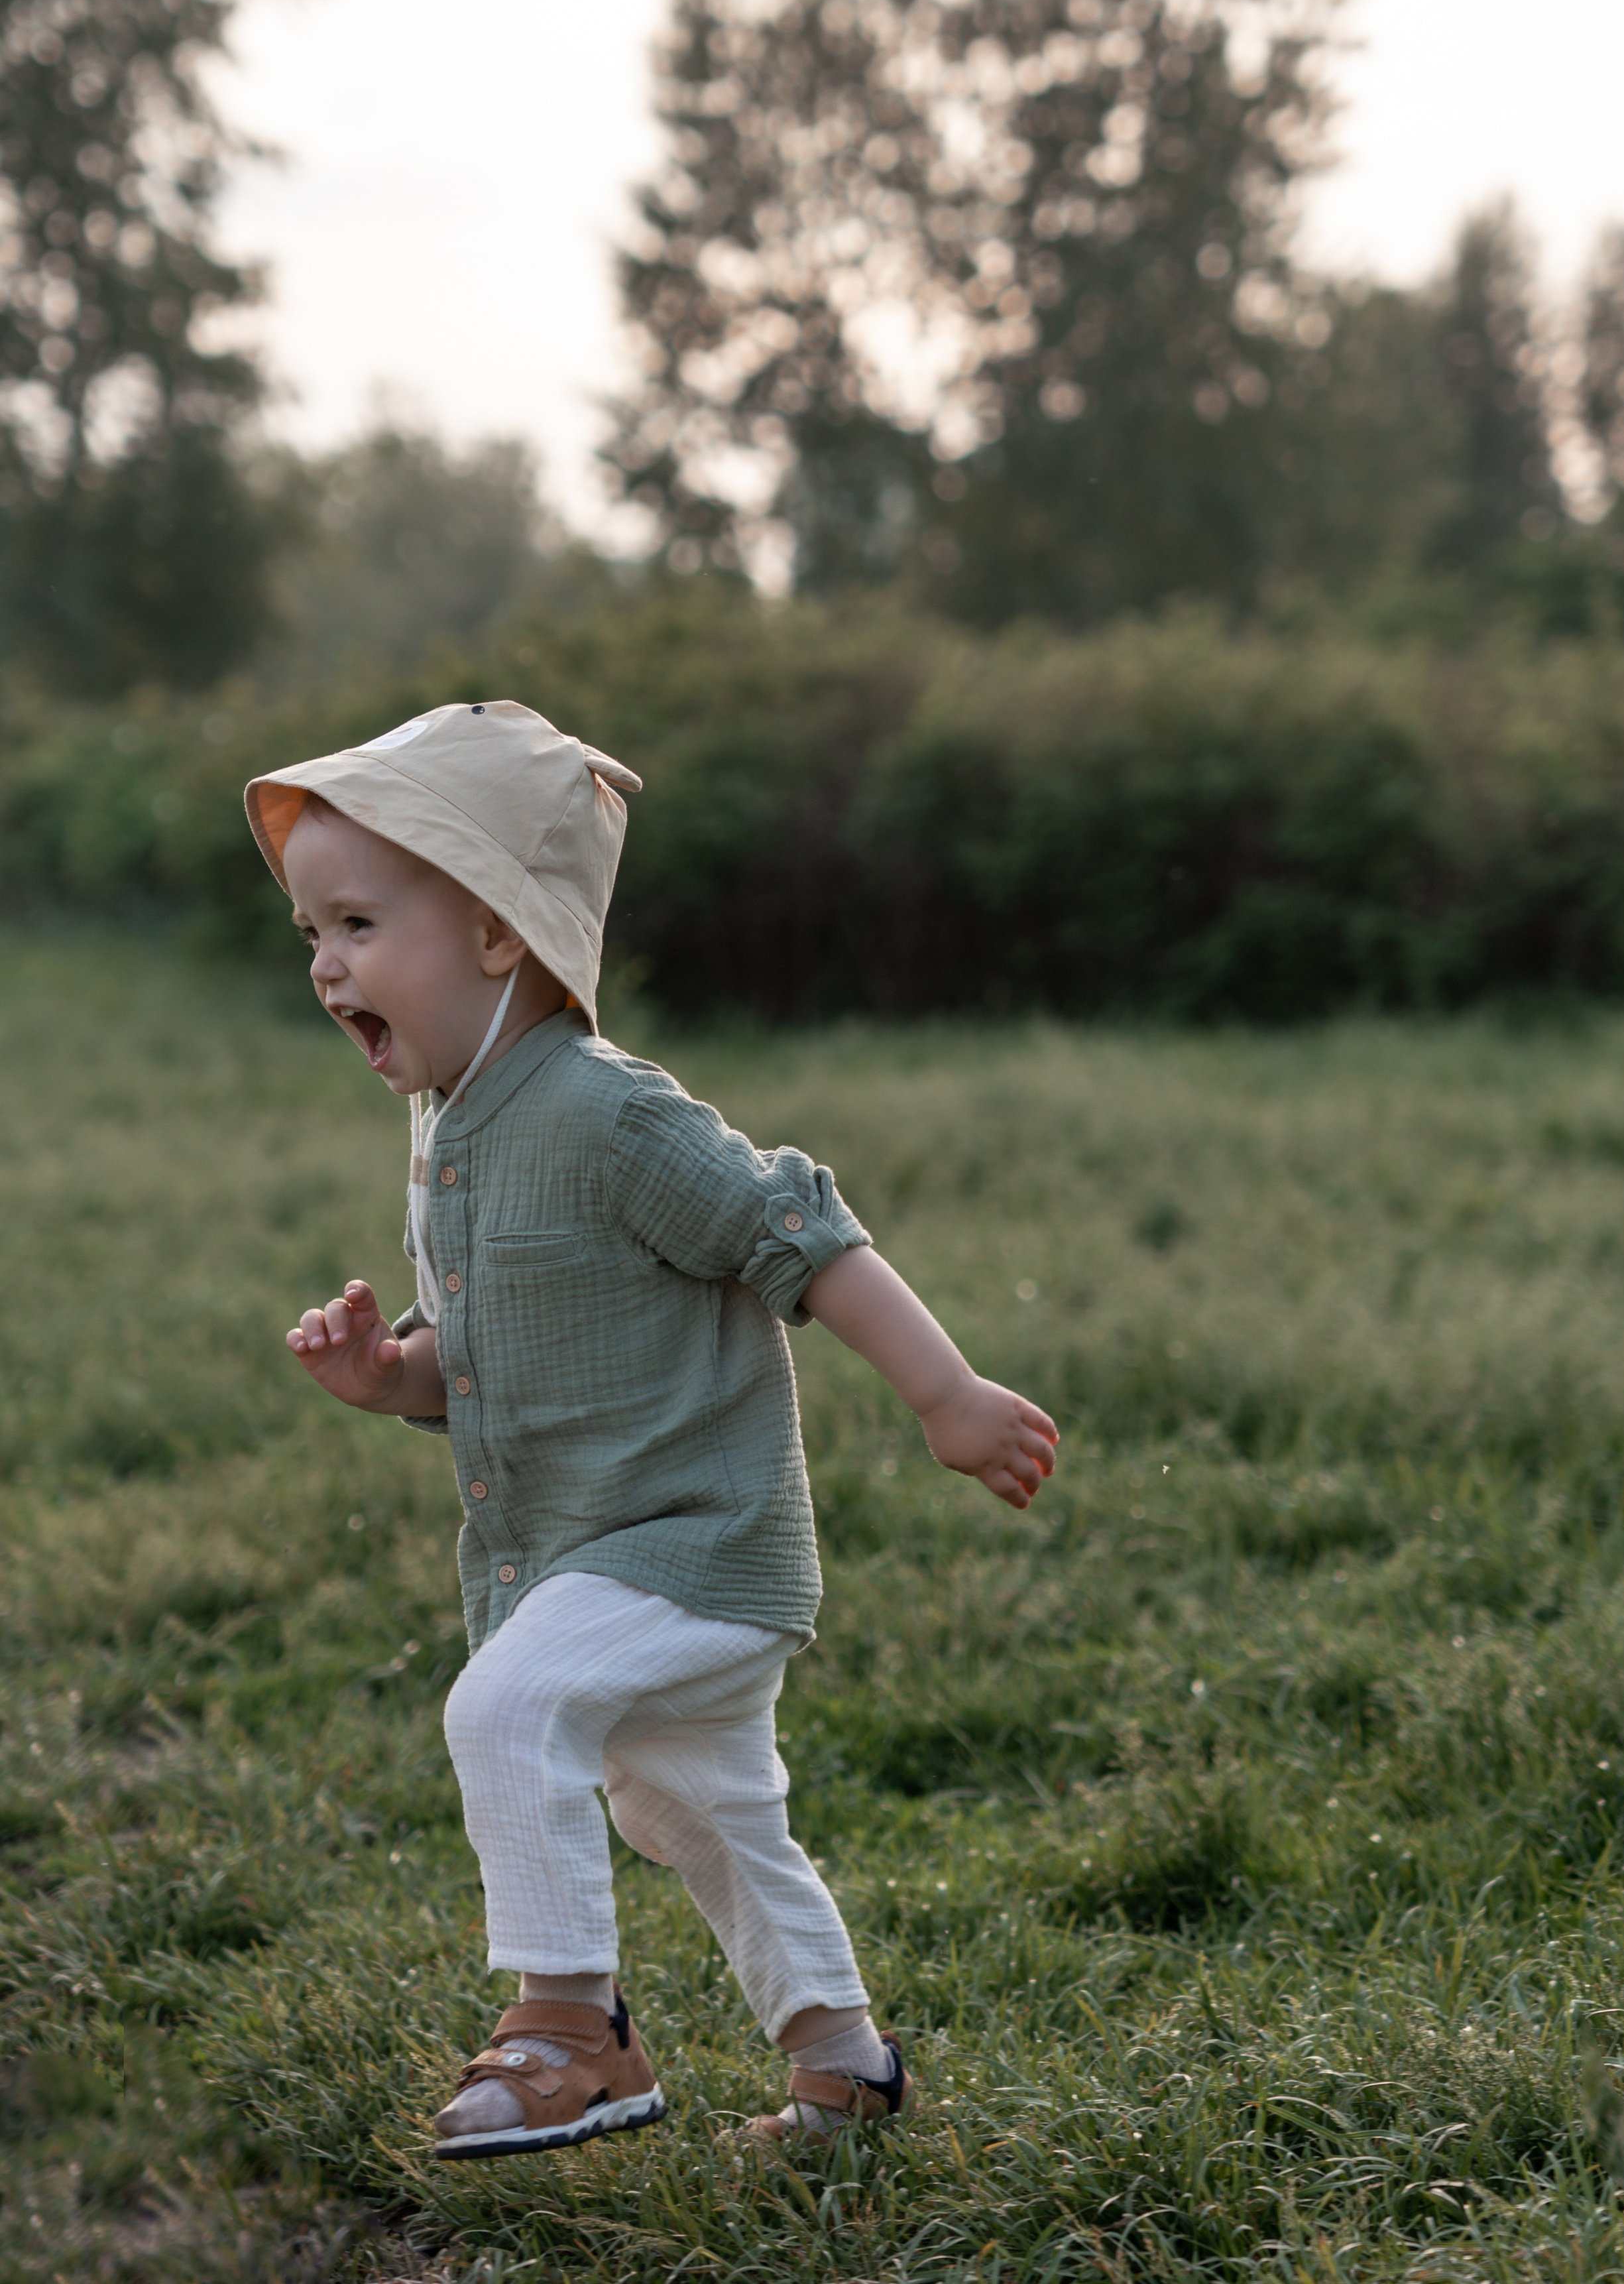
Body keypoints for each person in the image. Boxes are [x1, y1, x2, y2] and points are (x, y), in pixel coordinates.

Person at [245, 699, 1058, 2159]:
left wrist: (945, 1395)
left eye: (359, 923)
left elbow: (796, 1231)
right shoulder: (447, 1136)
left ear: (499, 933)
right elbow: (485, 1361)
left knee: (506, 1709)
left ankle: (571, 2026)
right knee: (701, 1816)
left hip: (692, 1543)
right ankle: (845, 2072)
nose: (324, 964)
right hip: (588, 1557)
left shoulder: (608, 1113)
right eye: (312, 931)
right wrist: (395, 1375)